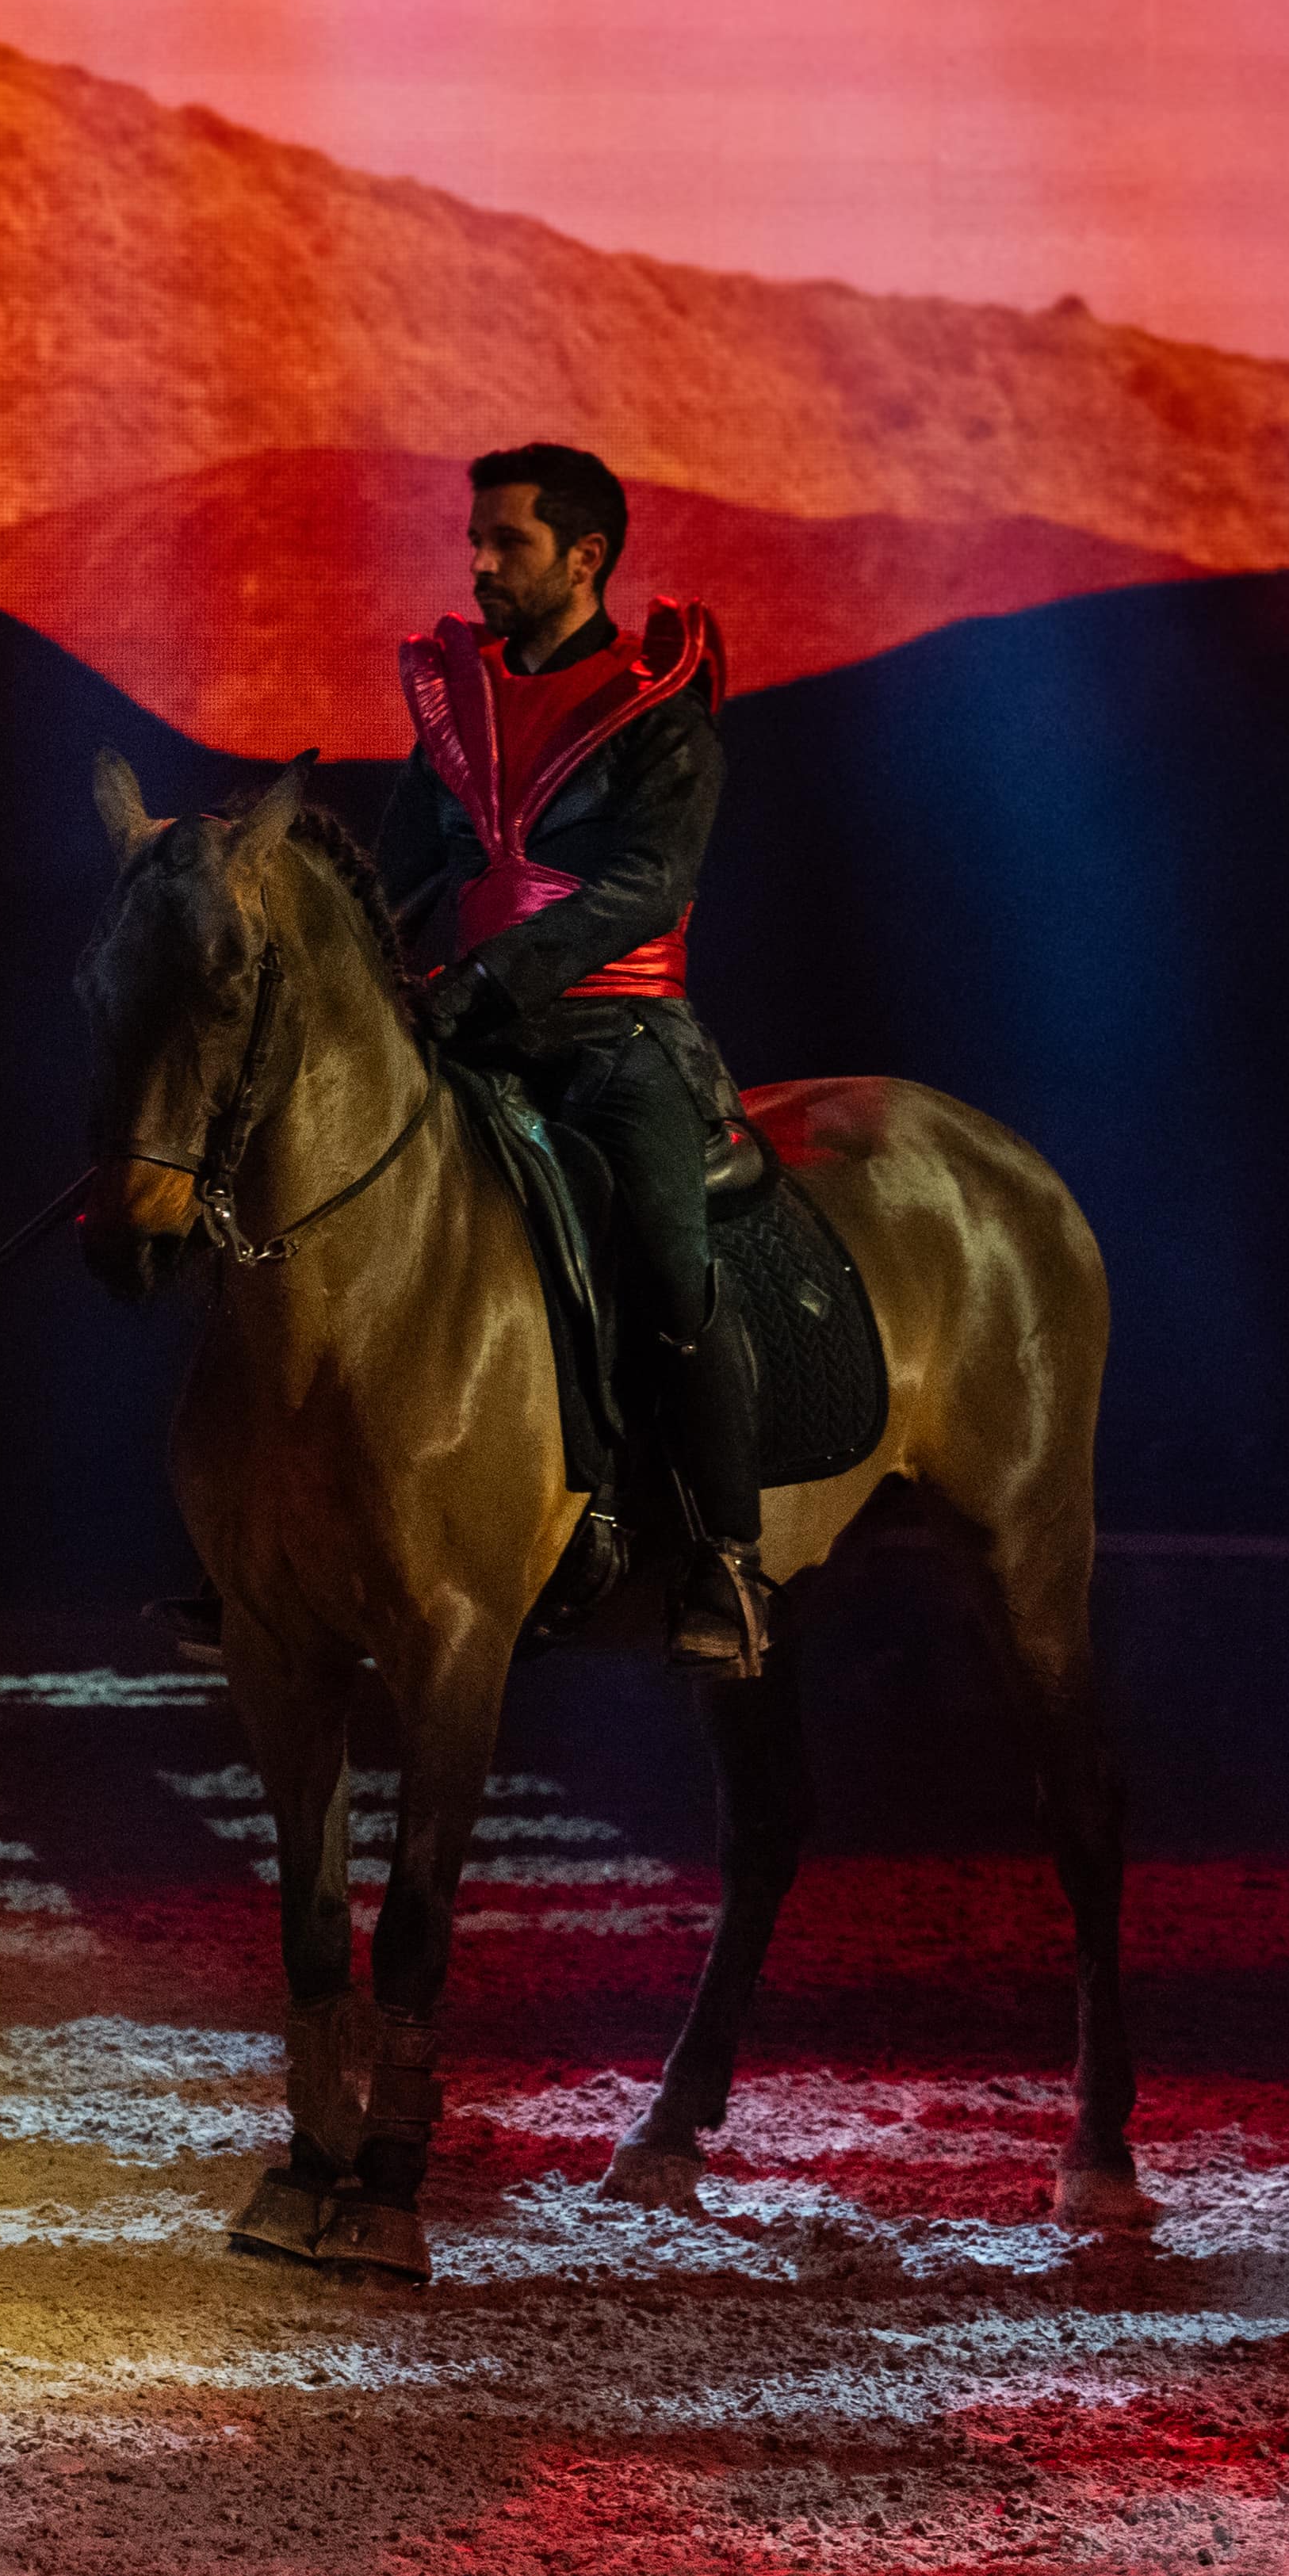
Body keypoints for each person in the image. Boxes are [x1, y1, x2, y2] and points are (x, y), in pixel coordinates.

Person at [377, 440, 767, 1672]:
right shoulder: (456, 709)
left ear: (585, 556)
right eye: (474, 542)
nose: (479, 565)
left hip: (619, 1033)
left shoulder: (661, 712)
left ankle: (724, 1557)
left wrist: (488, 976)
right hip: (469, 1029)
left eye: (508, 544)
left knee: (664, 1259)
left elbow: (647, 886)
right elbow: (399, 878)